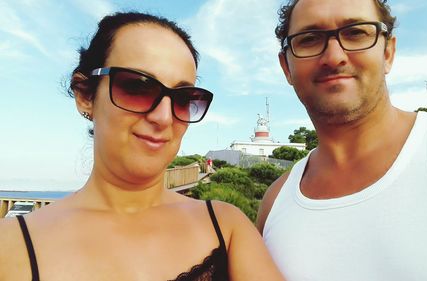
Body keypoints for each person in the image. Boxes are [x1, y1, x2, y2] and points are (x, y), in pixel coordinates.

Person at [0, 12, 284, 281]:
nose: (163, 117)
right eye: (137, 87)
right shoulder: (11, 245)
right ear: (86, 94)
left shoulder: (226, 228)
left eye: (183, 98)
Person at [256, 0, 427, 280]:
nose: (334, 56)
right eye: (309, 39)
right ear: (286, 67)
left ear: (388, 53)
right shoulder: (275, 203)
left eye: (356, 33)